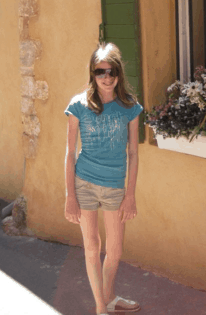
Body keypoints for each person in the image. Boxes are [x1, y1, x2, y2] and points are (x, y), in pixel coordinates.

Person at [64, 42, 143, 315]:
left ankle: (108, 296)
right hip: (83, 183)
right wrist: (69, 197)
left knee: (116, 250)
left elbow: (133, 153)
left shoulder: (129, 107)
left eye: (111, 71)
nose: (106, 77)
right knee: (92, 247)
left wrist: (130, 195)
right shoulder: (78, 105)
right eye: (100, 72)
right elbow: (69, 153)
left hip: (113, 186)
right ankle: (101, 306)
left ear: (119, 74)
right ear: (92, 74)